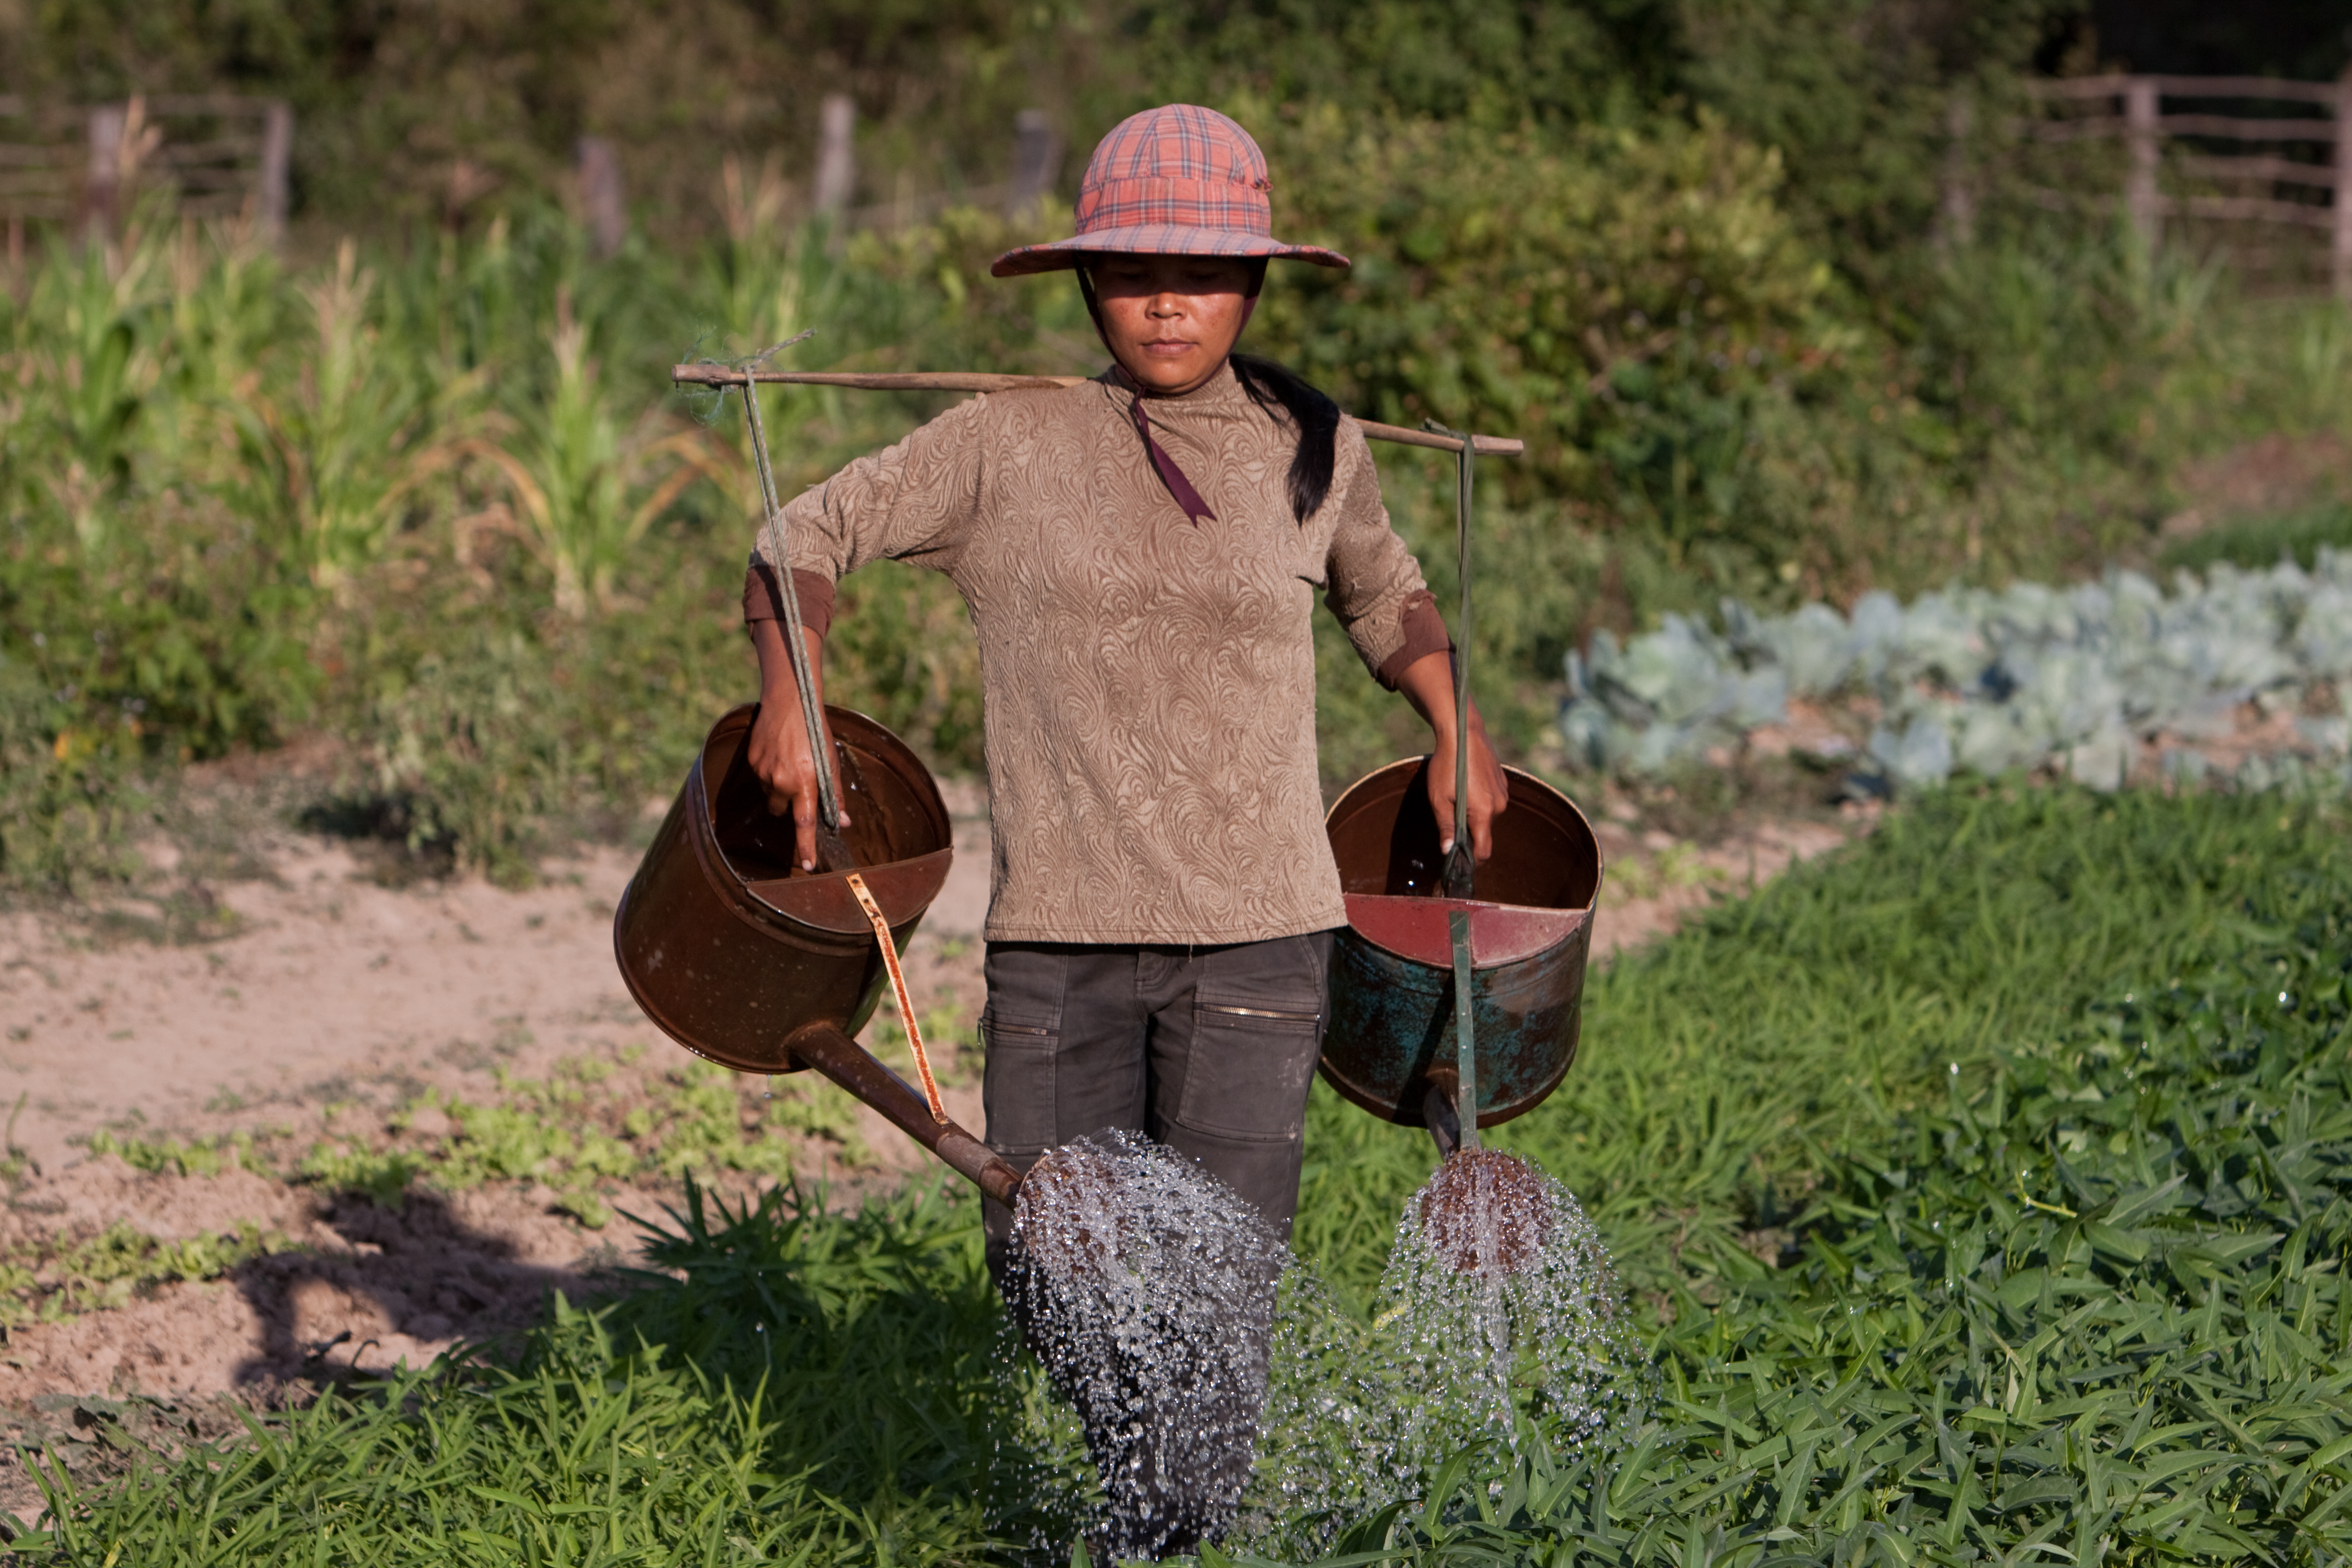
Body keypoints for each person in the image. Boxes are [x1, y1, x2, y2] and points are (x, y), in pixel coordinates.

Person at [743, 103, 1507, 1271]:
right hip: (1061, 943)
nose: (1166, 302)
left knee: (1216, 1293)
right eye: (1132, 272)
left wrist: (1458, 725)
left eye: (1202, 274)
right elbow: (804, 533)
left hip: (1259, 936)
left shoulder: (1316, 446)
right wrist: (791, 691)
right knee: (1056, 1278)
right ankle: (1137, 1460)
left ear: (1252, 283)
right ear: (1087, 281)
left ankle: (1196, 1466)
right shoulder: (1007, 442)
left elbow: (1382, 596)